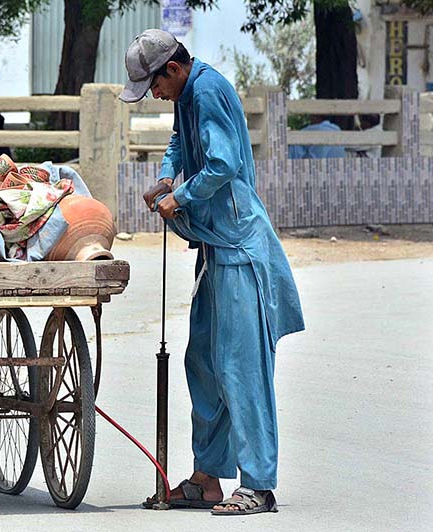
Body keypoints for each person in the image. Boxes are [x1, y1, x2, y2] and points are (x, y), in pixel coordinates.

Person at [119, 29, 305, 516]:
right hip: (214, 248)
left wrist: (177, 198)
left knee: (242, 368)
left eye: (155, 86)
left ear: (174, 70)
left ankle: (259, 484)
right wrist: (165, 175)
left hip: (240, 248)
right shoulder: (186, 95)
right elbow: (181, 142)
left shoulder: (206, 89)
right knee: (202, 361)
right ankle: (207, 478)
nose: (155, 96)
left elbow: (222, 163)